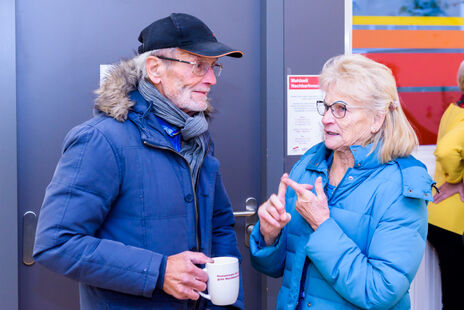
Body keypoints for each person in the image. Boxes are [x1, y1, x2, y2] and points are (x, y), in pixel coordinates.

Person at [33, 13, 244, 310]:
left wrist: (229, 304)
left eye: (214, 67)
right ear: (155, 69)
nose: (210, 79)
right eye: (198, 66)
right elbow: (56, 243)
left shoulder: (197, 139)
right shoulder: (101, 140)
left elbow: (219, 226)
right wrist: (158, 271)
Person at [250, 54, 434, 309]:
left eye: (341, 109)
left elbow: (381, 292)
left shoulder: (401, 187)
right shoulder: (310, 164)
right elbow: (280, 268)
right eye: (326, 107)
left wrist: (322, 225)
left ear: (376, 119)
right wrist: (270, 235)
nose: (326, 118)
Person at [427, 60, 464, 310]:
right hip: (455, 222)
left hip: (439, 216)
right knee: (457, 297)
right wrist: (456, 180)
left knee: (454, 292)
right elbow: (448, 150)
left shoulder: (454, 108)